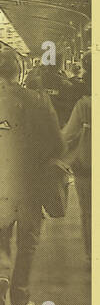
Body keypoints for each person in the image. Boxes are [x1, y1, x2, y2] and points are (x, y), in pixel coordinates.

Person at [0, 49, 64, 305]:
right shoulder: (37, 99)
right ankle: (20, 296)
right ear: (19, 71)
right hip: (31, 181)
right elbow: (56, 142)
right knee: (28, 240)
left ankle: (1, 275)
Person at [61, 57, 91, 256]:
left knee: (88, 212)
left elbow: (68, 135)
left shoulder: (84, 104)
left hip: (87, 166)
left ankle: (92, 253)